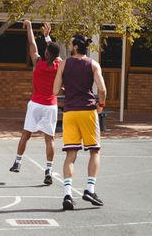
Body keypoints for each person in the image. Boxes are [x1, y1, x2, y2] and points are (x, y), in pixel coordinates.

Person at [53, 34, 107, 210]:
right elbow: (102, 89)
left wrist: (66, 87)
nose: (68, 45)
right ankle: (90, 189)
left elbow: (54, 90)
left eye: (70, 43)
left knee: (70, 155)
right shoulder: (93, 64)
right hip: (87, 112)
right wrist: (101, 105)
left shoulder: (64, 64)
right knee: (95, 150)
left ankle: (67, 195)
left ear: (76, 46)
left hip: (69, 112)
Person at [9, 20, 61, 185]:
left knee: (26, 134)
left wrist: (30, 26)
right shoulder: (59, 65)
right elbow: (56, 53)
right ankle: (49, 170)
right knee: (49, 139)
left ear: (46, 53)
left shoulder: (38, 63)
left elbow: (32, 43)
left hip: (36, 104)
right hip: (51, 106)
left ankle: (18, 162)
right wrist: (47, 38)